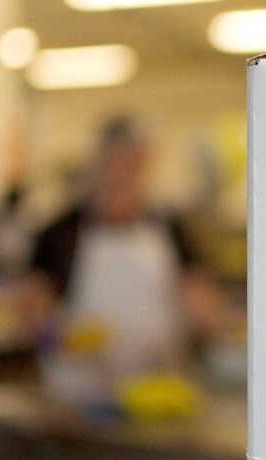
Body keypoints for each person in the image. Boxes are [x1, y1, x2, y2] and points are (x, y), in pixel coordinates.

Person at [27, 117, 187, 411]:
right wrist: (51, 335)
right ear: (99, 162)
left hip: (154, 388)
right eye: (119, 161)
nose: (127, 173)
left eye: (136, 163)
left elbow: (195, 295)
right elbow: (34, 302)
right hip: (81, 394)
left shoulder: (169, 229)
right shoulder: (60, 233)